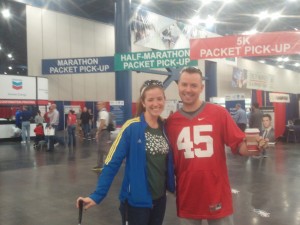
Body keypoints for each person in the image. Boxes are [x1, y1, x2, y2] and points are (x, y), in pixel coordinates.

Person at [165, 67, 268, 225]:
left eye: (193, 85)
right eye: (184, 84)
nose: (188, 90)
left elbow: (239, 145)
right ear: (178, 85)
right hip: (187, 194)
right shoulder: (171, 122)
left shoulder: (219, 113)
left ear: (201, 88)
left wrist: (255, 147)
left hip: (216, 192)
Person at [76, 80, 175, 225]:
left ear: (164, 100)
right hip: (136, 203)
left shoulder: (165, 127)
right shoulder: (131, 127)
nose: (156, 103)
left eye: (159, 99)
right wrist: (97, 195)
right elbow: (112, 162)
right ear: (143, 102)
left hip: (160, 200)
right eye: (151, 99)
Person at [92, 101, 111, 171]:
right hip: (103, 131)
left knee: (104, 149)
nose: (97, 105)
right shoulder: (103, 112)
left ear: (103, 105)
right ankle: (99, 165)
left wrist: (98, 132)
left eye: (99, 104)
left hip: (103, 132)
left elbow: (102, 123)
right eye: (97, 104)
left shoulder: (103, 113)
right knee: (100, 149)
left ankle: (112, 162)